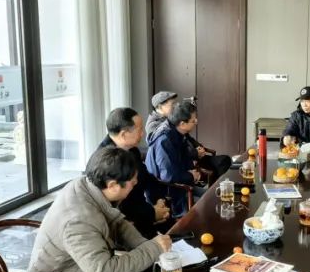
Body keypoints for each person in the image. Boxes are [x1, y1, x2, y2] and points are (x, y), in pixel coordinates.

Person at [14, 147, 172, 272]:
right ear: (112, 185)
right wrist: (153, 249)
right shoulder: (78, 221)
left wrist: (144, 245)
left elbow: (116, 221)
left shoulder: (86, 185)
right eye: (132, 182)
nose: (136, 183)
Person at [98, 107, 172, 238]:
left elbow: (147, 178)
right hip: (124, 225)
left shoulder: (132, 150)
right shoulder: (106, 162)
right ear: (123, 134)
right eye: (140, 130)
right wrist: (152, 213)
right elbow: (122, 205)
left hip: (143, 210)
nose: (143, 134)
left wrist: (159, 200)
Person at [147, 91, 231, 182]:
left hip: (185, 164)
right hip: (170, 182)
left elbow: (186, 142)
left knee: (223, 162)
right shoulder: (163, 135)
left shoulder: (173, 127)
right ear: (160, 106)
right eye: (172, 104)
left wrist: (198, 149)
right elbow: (168, 174)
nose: (175, 106)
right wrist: (191, 173)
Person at [146, 100, 205, 216]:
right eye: (193, 120)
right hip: (166, 192)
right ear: (182, 124)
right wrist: (191, 176)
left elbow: (184, 159)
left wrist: (193, 172)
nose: (196, 122)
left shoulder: (177, 132)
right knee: (206, 206)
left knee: (212, 197)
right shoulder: (165, 140)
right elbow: (168, 175)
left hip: (182, 184)